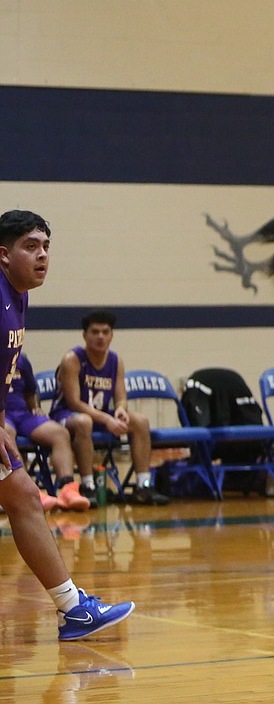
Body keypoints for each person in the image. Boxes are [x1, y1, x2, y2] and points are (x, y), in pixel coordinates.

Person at [0, 210, 134, 639]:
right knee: (23, 497)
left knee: (22, 496)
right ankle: (73, 608)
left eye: (46, 247)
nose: (42, 256)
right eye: (31, 247)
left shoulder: (18, 294)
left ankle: (73, 608)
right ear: (4, 255)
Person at [49, 310, 170, 506]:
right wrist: (107, 419)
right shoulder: (72, 358)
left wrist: (121, 410)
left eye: (105, 332)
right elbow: (74, 402)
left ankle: (143, 485)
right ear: (85, 335)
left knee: (140, 421)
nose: (100, 337)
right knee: (83, 421)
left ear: (112, 335)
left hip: (99, 416)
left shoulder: (116, 361)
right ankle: (88, 486)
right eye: (95, 332)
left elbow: (121, 397)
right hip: (67, 416)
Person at [6, 353, 89, 511]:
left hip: (23, 414)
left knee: (60, 434)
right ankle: (28, 492)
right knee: (6, 435)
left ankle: (68, 489)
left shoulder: (21, 358)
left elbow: (30, 391)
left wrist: (35, 407)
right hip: (4, 416)